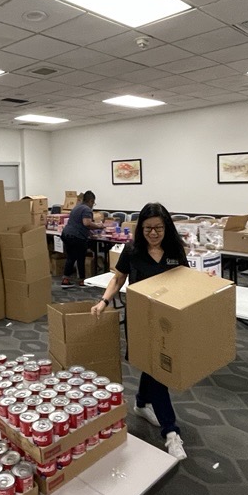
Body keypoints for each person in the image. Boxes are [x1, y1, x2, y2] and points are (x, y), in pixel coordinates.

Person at [91, 203, 187, 460]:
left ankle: (142, 403)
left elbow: (185, 279)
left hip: (167, 320)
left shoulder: (175, 250)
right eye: (147, 229)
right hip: (140, 319)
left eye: (158, 228)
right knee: (158, 370)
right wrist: (104, 301)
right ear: (140, 228)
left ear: (166, 227)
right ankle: (171, 432)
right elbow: (118, 278)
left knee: (154, 367)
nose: (153, 233)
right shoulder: (133, 250)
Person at [61, 190, 102, 287]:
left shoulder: (76, 207)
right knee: (80, 258)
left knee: (71, 257)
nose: (93, 205)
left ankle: (65, 279)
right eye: (93, 203)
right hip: (77, 237)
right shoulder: (87, 209)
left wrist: (90, 231)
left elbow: (81, 224)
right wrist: (99, 226)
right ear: (91, 201)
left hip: (66, 235)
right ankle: (82, 280)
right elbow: (87, 223)